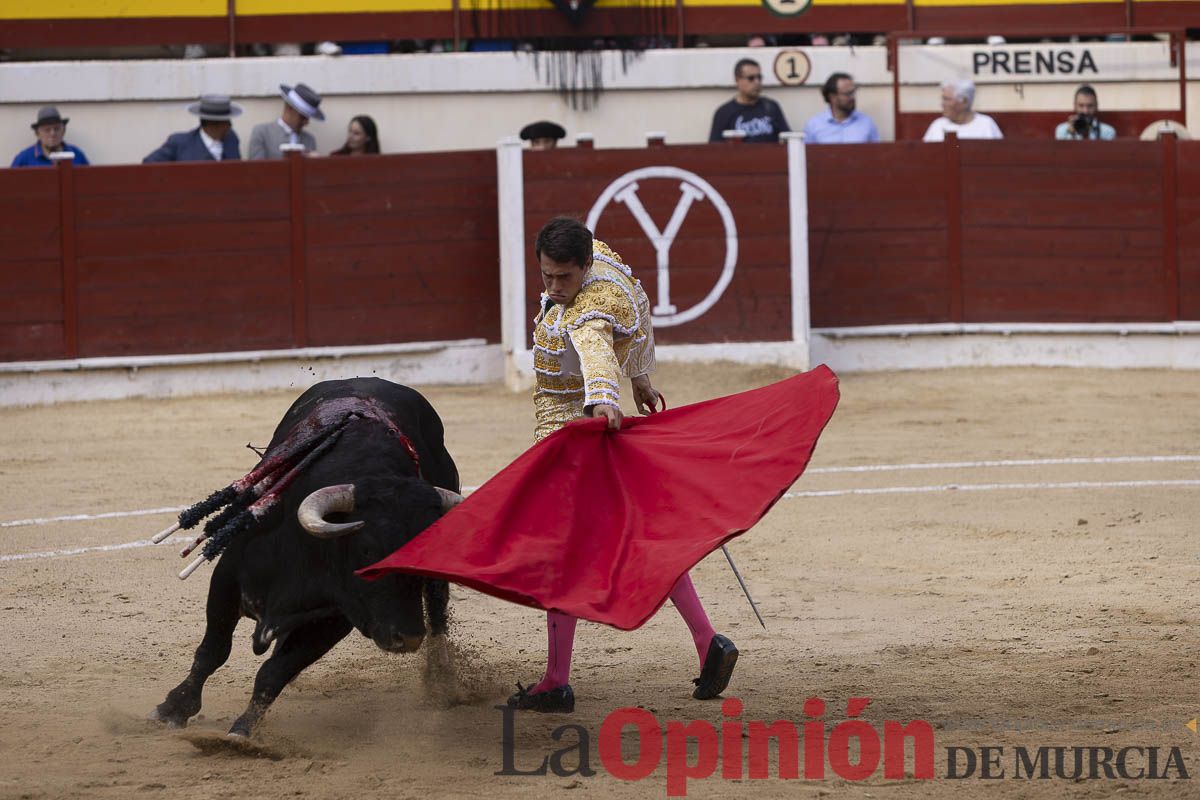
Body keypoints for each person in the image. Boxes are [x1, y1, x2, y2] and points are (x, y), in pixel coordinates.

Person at [507, 216, 738, 713]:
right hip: (583, 432)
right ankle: (707, 641)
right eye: (546, 275)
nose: (553, 287)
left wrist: (609, 396)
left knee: (560, 556)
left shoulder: (590, 307)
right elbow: (640, 305)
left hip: (572, 437)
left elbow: (595, 351)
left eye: (563, 278)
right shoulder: (605, 263)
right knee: (637, 538)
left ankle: (555, 681)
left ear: (584, 267)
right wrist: (642, 378)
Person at [708, 58, 790, 144]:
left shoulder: (771, 107)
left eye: (759, 77)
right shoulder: (724, 113)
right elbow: (714, 149)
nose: (757, 82)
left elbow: (787, 139)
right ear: (737, 80)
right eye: (751, 78)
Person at [143, 94, 243, 163]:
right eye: (226, 122)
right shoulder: (179, 143)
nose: (230, 125)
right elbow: (148, 164)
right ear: (211, 124)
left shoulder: (231, 139)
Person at [248, 83, 324, 160]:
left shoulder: (309, 140)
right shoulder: (262, 133)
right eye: (302, 117)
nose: (306, 123)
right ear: (289, 108)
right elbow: (256, 169)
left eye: (308, 118)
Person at [802, 72, 880, 144]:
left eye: (853, 92)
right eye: (848, 94)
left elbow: (877, 154)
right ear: (832, 97)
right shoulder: (814, 125)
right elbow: (805, 156)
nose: (852, 97)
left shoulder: (866, 123)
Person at [922, 79, 1003, 142]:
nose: (942, 104)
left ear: (964, 101)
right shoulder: (937, 125)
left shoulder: (986, 124)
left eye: (947, 99)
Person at [11, 107, 90, 167]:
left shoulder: (76, 154)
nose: (52, 133)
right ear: (37, 134)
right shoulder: (24, 158)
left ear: (63, 131)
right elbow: (9, 184)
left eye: (56, 129)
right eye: (47, 130)